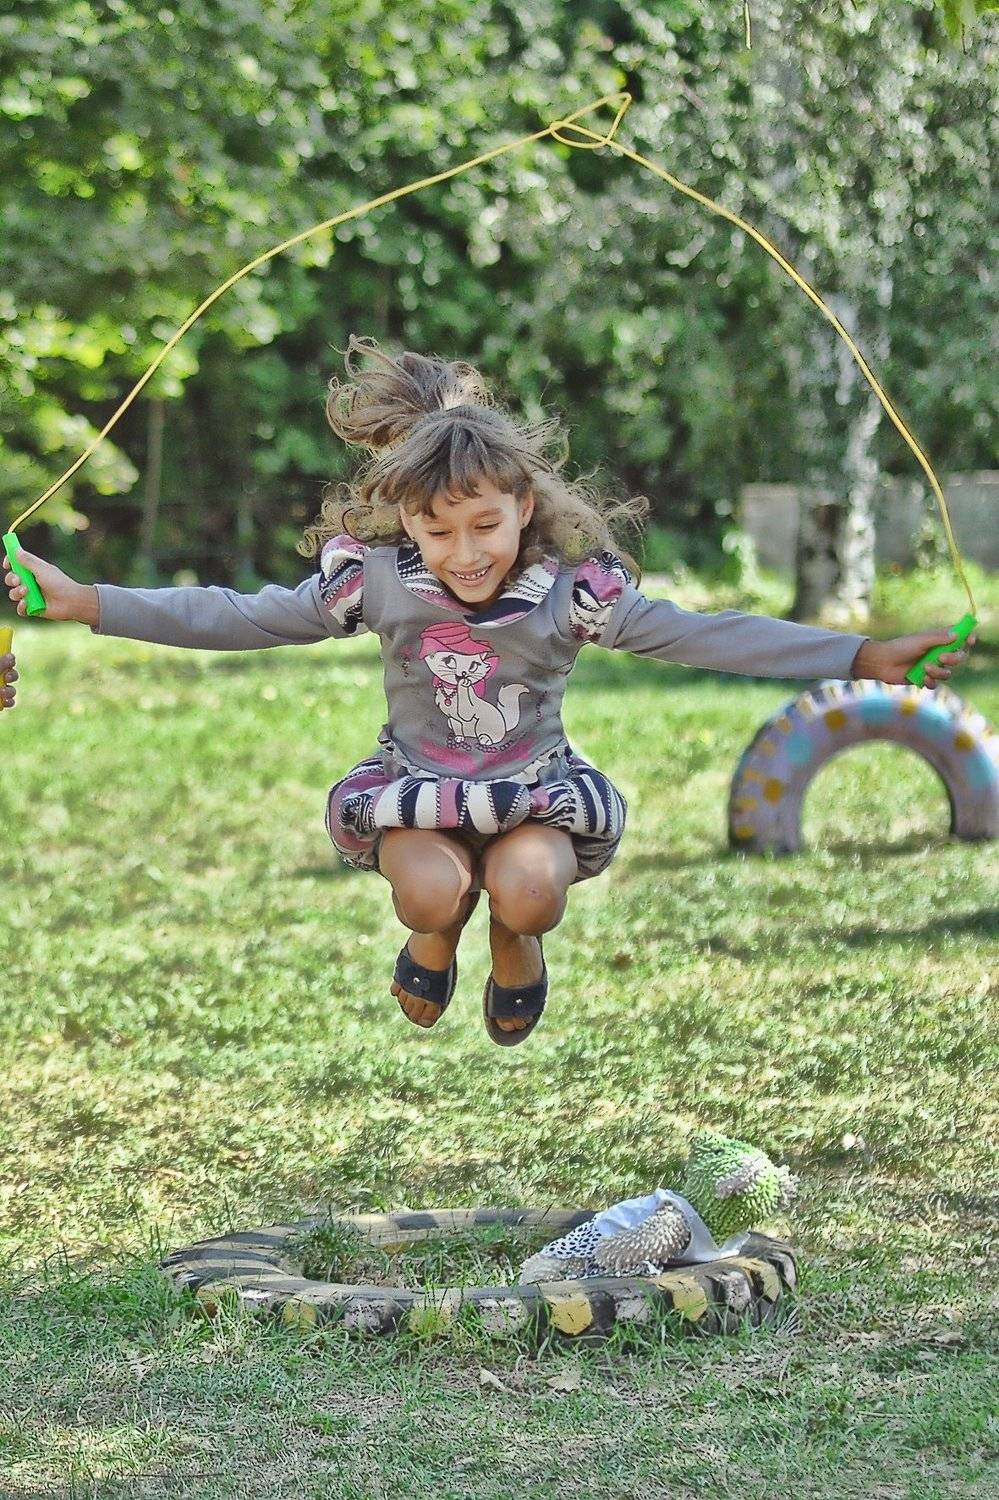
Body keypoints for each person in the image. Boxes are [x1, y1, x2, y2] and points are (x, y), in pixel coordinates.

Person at [3, 335, 975, 1045]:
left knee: (532, 889)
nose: (463, 552)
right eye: (437, 531)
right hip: (417, 792)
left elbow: (706, 633)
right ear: (406, 523)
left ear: (523, 507)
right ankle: (440, 931)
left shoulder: (568, 594)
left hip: (530, 794)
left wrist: (860, 655)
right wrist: (86, 600)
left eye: (484, 526)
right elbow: (236, 616)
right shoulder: (374, 584)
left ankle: (515, 937)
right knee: (432, 892)